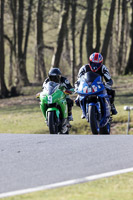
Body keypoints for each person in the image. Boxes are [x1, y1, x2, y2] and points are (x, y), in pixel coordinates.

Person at [75, 52, 117, 119]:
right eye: (93, 63)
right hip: (86, 86)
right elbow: (79, 80)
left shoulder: (103, 68)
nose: (95, 66)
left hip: (99, 86)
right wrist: (77, 87)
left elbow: (109, 80)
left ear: (101, 63)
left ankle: (111, 106)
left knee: (111, 92)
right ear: (90, 62)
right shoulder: (84, 68)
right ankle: (84, 111)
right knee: (77, 100)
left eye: (98, 64)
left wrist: (107, 84)